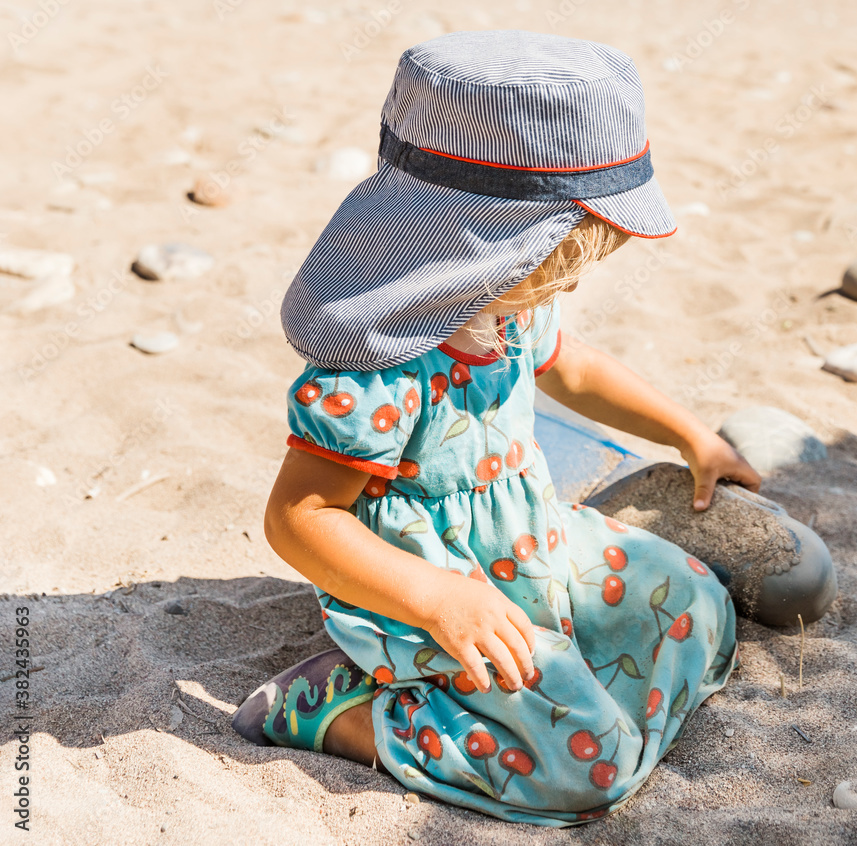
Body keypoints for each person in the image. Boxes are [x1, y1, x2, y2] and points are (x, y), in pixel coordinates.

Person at [233, 30, 762, 827]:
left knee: (700, 603)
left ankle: (546, 694)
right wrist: (438, 598)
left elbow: (573, 368)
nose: (573, 281)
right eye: (560, 259)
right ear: (482, 244)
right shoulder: (375, 368)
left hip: (530, 545)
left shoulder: (507, 306)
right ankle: (336, 710)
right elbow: (299, 519)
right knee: (584, 769)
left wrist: (691, 436)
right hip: (426, 586)